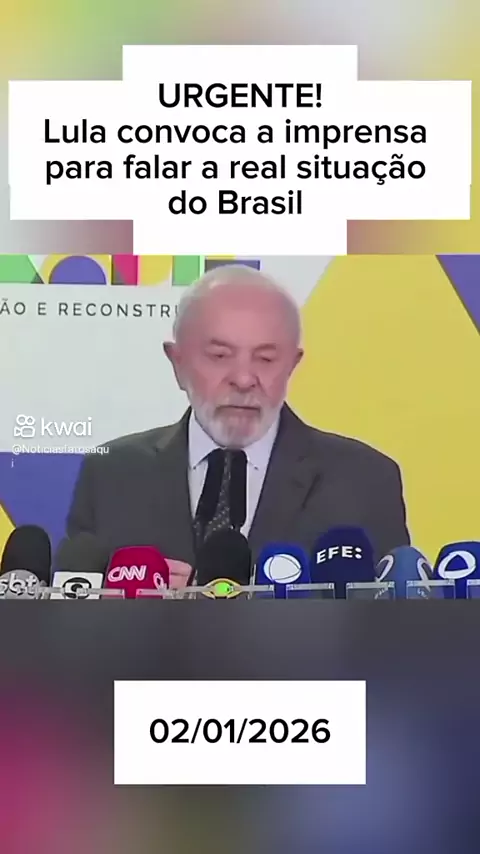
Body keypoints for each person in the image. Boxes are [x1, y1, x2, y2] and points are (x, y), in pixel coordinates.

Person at [65, 264, 410, 585]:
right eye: (219, 356)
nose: (244, 379)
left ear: (292, 365)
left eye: (266, 359)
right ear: (177, 363)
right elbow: (72, 613)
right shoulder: (111, 475)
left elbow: (390, 622)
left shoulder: (363, 481)